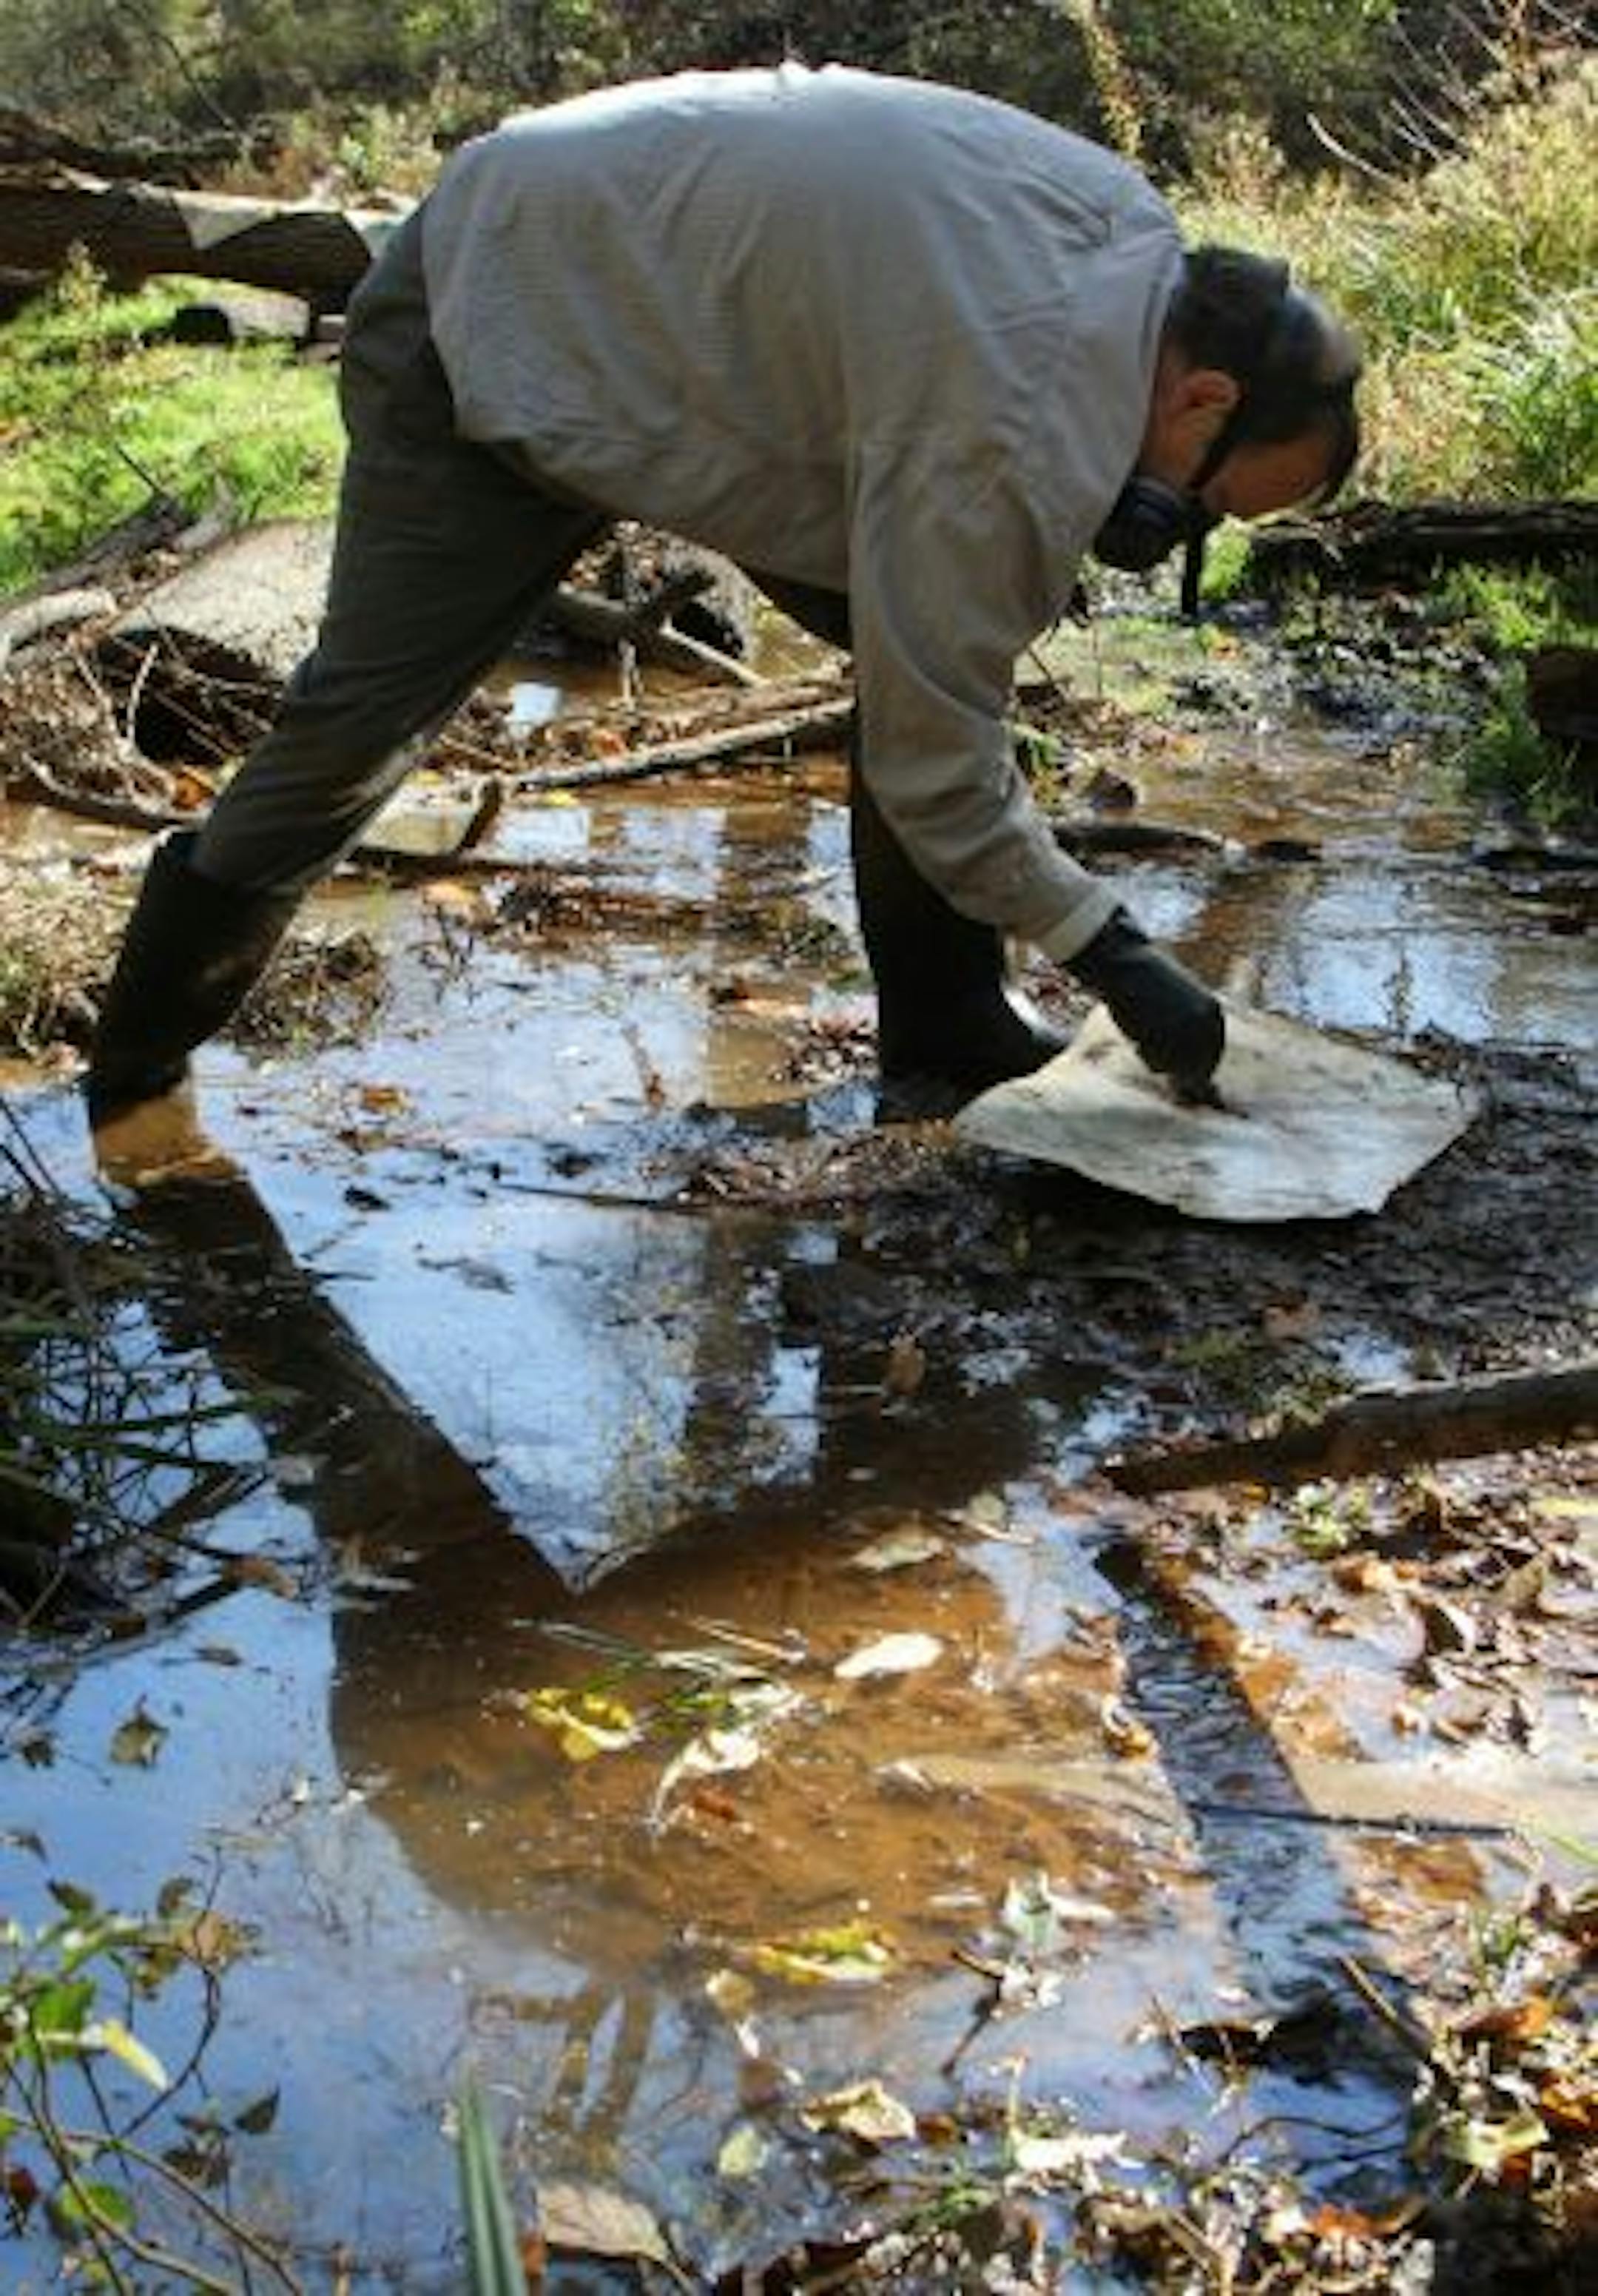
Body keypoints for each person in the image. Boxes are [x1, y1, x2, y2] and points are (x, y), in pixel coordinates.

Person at [85, 62, 1361, 1127]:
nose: (1168, 528)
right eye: (1201, 508)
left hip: (679, 328)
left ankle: (947, 1024)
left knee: (924, 647)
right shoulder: (1009, 428)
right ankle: (136, 1084)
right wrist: (1118, 958)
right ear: (1203, 400)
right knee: (357, 731)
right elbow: (935, 762)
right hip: (495, 312)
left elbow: (937, 672)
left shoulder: (1127, 239)